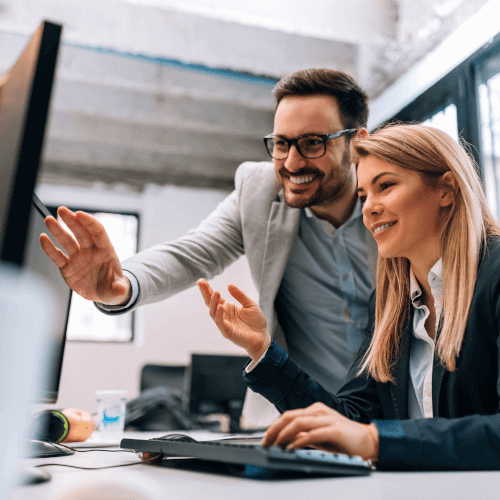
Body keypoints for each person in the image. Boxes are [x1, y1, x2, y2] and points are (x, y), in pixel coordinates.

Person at [39, 69, 378, 421]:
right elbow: (192, 253)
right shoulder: (259, 192)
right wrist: (122, 284)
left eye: (312, 143)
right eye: (281, 143)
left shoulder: (395, 201)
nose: (292, 162)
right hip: (298, 416)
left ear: (357, 142)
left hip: (394, 416)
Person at [197, 123, 500, 470]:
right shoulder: (389, 306)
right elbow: (349, 421)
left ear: (445, 189)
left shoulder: (495, 276)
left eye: (385, 186)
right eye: (364, 196)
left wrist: (375, 440)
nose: (369, 209)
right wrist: (263, 352)